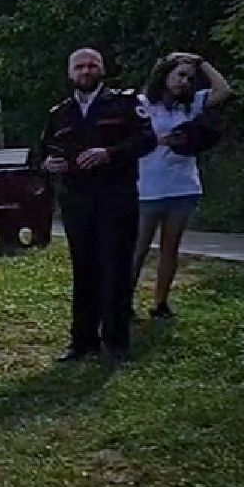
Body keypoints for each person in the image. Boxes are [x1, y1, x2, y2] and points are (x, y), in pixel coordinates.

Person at [34, 47, 157, 363]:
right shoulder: (59, 113)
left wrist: (110, 153)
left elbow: (146, 140)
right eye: (80, 67)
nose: (86, 71)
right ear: (70, 73)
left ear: (102, 70)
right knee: (84, 269)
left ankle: (116, 342)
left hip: (117, 198)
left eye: (92, 66)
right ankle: (82, 341)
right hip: (78, 202)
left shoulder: (126, 103)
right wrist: (48, 163)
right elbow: (42, 151)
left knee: (115, 267)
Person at [132, 52, 231, 319]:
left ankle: (160, 302)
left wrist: (201, 62)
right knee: (138, 247)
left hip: (182, 186)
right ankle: (124, 300)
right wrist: (159, 140)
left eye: (189, 78)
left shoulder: (193, 104)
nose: (184, 82)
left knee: (170, 248)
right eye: (179, 75)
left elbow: (223, 90)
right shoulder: (143, 104)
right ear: (164, 75)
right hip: (148, 186)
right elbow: (131, 139)